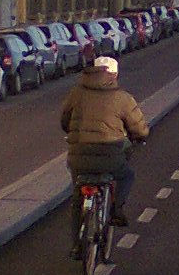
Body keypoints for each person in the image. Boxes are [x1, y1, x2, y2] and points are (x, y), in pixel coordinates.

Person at [61, 54, 148, 228]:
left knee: (78, 196)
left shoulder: (76, 93)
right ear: (114, 75)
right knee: (126, 175)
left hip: (79, 158)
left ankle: (77, 245)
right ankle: (116, 210)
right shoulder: (122, 98)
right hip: (110, 158)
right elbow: (139, 129)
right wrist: (139, 138)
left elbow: (65, 121)